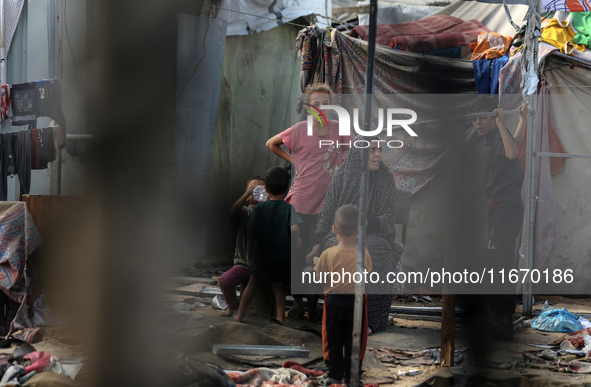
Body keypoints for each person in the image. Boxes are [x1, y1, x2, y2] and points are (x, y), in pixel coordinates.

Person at [266, 83, 354, 317]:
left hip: (329, 203)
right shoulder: (298, 130)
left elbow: (354, 150)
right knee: (298, 252)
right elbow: (271, 143)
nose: (321, 108)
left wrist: (342, 164)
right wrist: (293, 160)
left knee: (321, 253)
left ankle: (315, 303)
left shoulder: (339, 128)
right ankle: (297, 303)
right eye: (316, 103)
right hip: (302, 200)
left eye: (326, 104)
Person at [307, 137, 401, 334]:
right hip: (341, 234)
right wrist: (316, 244)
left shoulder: (386, 177)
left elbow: (389, 216)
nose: (378, 154)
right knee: (337, 249)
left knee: (370, 250)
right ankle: (339, 318)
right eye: (372, 150)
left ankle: (369, 320)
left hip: (375, 235)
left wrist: (366, 224)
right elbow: (328, 211)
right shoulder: (343, 176)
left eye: (380, 150)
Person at [470, 96, 524, 340]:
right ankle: (497, 316)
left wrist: (503, 123)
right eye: (474, 119)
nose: (478, 123)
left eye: (483, 117)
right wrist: (521, 121)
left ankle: (502, 319)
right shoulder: (488, 140)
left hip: (506, 207)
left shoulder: (497, 135)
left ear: (494, 117)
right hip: (494, 209)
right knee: (496, 262)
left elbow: (513, 154)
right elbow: (516, 143)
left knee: (500, 262)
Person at [234, 167, 302, 322]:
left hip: (261, 255)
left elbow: (252, 228)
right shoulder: (290, 209)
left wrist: (259, 238)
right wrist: (297, 239)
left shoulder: (260, 207)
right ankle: (280, 318)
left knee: (252, 284)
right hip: (281, 257)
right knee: (278, 287)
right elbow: (295, 228)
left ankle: (239, 315)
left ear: (265, 189)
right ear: (287, 189)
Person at [314, 204, 372, 385]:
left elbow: (319, 277)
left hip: (333, 302)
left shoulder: (327, 254)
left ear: (334, 229)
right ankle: (353, 375)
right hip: (357, 302)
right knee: (356, 339)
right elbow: (367, 274)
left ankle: (334, 374)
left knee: (332, 338)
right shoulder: (363, 253)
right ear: (361, 230)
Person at [218, 176, 265, 317]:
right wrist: (246, 193)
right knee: (225, 280)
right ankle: (232, 306)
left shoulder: (268, 212)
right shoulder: (244, 212)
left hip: (264, 266)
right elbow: (232, 212)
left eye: (262, 189)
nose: (257, 192)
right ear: (247, 197)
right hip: (244, 264)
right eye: (253, 190)